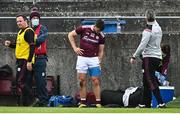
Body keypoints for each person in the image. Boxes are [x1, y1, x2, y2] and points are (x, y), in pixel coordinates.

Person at [130, 10, 166, 108]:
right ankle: (144, 103)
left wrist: (134, 56)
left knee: (150, 80)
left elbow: (142, 45)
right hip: (157, 57)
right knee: (146, 80)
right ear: (155, 17)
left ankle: (161, 102)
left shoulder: (147, 30)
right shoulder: (158, 28)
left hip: (149, 57)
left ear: (146, 18)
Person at [68, 19, 105, 108]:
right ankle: (83, 102)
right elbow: (70, 35)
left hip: (94, 59)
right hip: (82, 58)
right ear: (95, 26)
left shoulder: (101, 36)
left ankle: (98, 103)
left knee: (95, 80)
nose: (98, 32)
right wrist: (75, 48)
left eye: (100, 31)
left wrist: (99, 61)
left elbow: (101, 51)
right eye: (98, 30)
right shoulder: (84, 28)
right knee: (81, 80)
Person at [4, 14, 35, 106]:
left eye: (20, 21)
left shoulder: (28, 31)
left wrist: (29, 61)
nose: (18, 23)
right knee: (20, 82)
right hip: (20, 61)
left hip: (26, 60)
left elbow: (32, 46)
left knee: (20, 82)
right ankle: (27, 103)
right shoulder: (20, 32)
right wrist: (10, 44)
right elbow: (17, 46)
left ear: (26, 21)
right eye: (17, 21)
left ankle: (33, 99)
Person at [30, 7, 49, 107]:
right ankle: (31, 101)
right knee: (27, 82)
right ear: (30, 20)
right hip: (29, 58)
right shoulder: (28, 30)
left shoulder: (43, 28)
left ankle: (44, 102)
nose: (35, 19)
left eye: (37, 17)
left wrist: (31, 41)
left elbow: (40, 40)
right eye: (33, 18)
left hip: (40, 58)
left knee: (41, 82)